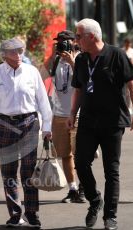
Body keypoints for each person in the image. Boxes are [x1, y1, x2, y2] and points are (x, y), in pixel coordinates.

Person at [68, 18, 133, 230]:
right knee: (81, 163)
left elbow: (132, 84)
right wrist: (72, 113)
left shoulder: (117, 55)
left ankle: (110, 216)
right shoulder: (82, 60)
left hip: (113, 122)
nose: (76, 40)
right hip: (88, 121)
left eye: (78, 36)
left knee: (112, 170)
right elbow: (78, 89)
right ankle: (95, 200)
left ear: (91, 37)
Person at [0, 38, 52, 228]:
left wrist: (47, 127)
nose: (18, 55)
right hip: (4, 124)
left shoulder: (32, 72)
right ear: (4, 54)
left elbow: (43, 101)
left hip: (29, 122)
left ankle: (31, 212)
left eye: (20, 50)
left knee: (28, 170)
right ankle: (14, 213)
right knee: (8, 172)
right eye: (13, 51)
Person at [50, 30, 86, 204]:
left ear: (73, 42)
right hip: (58, 114)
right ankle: (72, 189)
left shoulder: (81, 58)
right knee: (65, 154)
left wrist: (73, 63)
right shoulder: (56, 60)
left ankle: (84, 187)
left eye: (65, 41)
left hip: (77, 113)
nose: (62, 44)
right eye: (60, 41)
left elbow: (85, 83)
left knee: (80, 155)